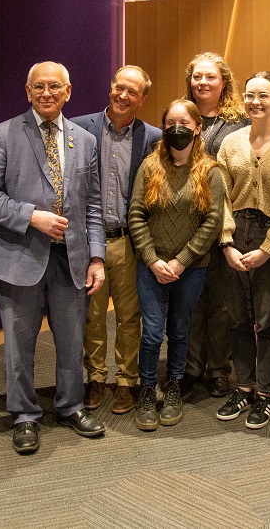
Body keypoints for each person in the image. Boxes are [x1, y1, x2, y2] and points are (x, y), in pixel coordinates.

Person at [0, 61, 106, 455]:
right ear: (27, 91)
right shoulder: (4, 134)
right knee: (18, 343)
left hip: (73, 259)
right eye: (39, 87)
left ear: (68, 91)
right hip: (19, 257)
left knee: (70, 340)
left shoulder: (84, 140)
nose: (47, 93)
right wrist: (31, 216)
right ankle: (25, 415)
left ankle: (71, 405)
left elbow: (93, 205)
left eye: (55, 87)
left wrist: (97, 257)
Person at [127, 99, 226, 431]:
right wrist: (153, 260)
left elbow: (212, 223)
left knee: (180, 330)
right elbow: (136, 216)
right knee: (153, 333)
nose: (176, 129)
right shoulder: (149, 166)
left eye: (184, 123)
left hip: (191, 268)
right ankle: (146, 389)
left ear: (198, 128)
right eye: (170, 123)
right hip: (150, 266)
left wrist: (182, 261)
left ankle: (173, 388)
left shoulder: (210, 171)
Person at [215, 72, 270, 429]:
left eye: (263, 96)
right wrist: (225, 242)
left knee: (267, 319)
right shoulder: (230, 143)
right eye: (249, 95)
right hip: (234, 233)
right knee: (236, 318)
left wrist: (269, 248)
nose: (255, 102)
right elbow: (219, 196)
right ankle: (243, 387)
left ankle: (264, 394)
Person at [71, 65, 161, 415]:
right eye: (119, 88)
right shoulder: (78, 128)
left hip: (129, 242)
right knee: (91, 316)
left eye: (132, 92)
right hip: (89, 240)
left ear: (143, 98)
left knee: (128, 316)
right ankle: (95, 377)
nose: (123, 96)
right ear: (111, 87)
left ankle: (127, 381)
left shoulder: (152, 137)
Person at [182, 52, 250, 397]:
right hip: (186, 224)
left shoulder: (240, 123)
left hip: (225, 221)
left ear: (224, 81)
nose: (203, 83)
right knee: (191, 299)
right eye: (197, 77)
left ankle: (221, 369)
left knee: (222, 302)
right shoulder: (181, 116)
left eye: (210, 77)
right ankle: (192, 367)